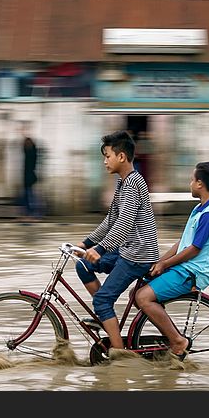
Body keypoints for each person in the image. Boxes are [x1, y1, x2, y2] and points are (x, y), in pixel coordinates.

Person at [73, 130, 160, 354]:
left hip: (138, 255)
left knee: (101, 301)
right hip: (126, 250)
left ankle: (119, 354)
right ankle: (108, 319)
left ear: (121, 157)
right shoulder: (123, 183)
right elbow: (111, 221)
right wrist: (86, 244)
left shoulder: (132, 184)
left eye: (107, 155)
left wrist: (100, 249)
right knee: (83, 265)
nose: (104, 161)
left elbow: (124, 225)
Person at [135, 162, 209, 361]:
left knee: (143, 298)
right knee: (137, 290)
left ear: (200, 184)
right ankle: (164, 336)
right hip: (182, 268)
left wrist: (165, 265)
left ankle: (177, 340)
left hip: (191, 272)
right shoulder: (200, 209)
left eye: (192, 180)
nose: (190, 183)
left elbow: (194, 249)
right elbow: (183, 242)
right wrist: (159, 262)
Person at [19, 121, 41, 221]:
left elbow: (29, 167)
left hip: (29, 177)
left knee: (30, 196)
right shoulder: (31, 153)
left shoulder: (30, 154)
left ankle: (34, 215)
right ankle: (29, 214)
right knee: (28, 196)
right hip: (29, 177)